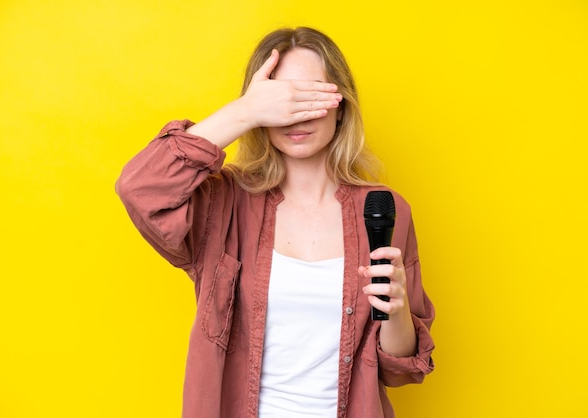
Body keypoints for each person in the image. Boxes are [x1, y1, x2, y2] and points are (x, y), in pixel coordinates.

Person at [116, 26, 435, 418]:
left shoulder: (384, 209)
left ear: (341, 104)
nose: (294, 113)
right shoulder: (223, 204)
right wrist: (244, 111)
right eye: (281, 98)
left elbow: (398, 368)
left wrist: (397, 310)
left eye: (309, 95)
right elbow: (140, 188)